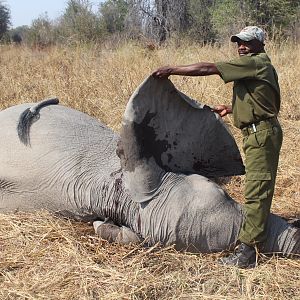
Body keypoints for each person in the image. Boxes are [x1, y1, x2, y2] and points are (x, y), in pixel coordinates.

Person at [152, 26, 282, 268]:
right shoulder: (262, 65)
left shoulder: (255, 62)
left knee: (256, 192)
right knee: (258, 188)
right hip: (260, 133)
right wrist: (232, 109)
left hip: (261, 135)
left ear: (261, 44)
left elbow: (209, 68)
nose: (241, 47)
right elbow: (268, 100)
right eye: (238, 42)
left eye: (247, 42)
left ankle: (248, 253)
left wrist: (173, 69)